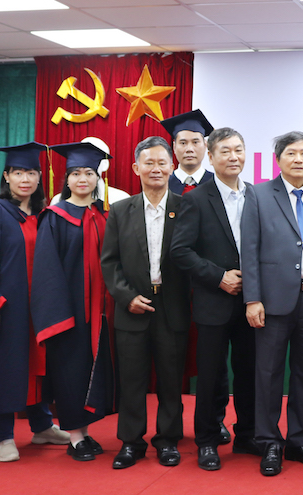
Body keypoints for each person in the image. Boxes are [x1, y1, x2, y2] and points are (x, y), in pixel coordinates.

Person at [241, 131, 303, 476]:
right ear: (278, 159)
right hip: (272, 300)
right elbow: (249, 250)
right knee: (268, 374)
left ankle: (299, 441)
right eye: (291, 153)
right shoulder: (259, 194)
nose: (299, 159)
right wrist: (253, 299)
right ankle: (268, 442)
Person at [0, 142, 70, 462]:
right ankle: (3, 437)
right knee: (4, 367)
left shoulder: (43, 215)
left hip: (38, 306)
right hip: (6, 306)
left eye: (31, 172)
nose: (24, 179)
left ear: (40, 177)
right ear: (6, 176)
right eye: (17, 173)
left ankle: (42, 426)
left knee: (38, 366)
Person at [170, 126, 259, 470]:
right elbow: (180, 251)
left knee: (250, 372)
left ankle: (247, 435)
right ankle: (207, 441)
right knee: (210, 376)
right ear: (211, 156)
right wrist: (218, 277)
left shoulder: (257, 196)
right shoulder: (195, 199)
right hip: (213, 301)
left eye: (238, 150)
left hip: (252, 301)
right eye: (225, 151)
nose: (233, 157)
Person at [100, 136, 190, 469]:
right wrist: (126, 296)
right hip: (132, 307)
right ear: (136, 168)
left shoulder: (186, 208)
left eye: (161, 162)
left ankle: (168, 440)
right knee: (132, 380)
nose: (155, 168)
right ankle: (131, 442)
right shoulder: (120, 211)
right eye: (148, 163)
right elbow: (109, 262)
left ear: (172, 167)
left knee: (171, 380)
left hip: (173, 306)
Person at [31, 142, 116, 462]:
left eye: (89, 173)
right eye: (76, 173)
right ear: (66, 179)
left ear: (98, 178)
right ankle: (76, 437)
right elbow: (46, 269)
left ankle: (85, 432)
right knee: (71, 372)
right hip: (69, 312)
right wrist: (58, 314)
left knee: (92, 372)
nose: (83, 179)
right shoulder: (54, 217)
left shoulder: (106, 215)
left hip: (103, 312)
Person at [162, 109, 215, 194]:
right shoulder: (163, 185)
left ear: (205, 145)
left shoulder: (218, 184)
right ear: (174, 147)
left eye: (195, 142)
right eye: (183, 143)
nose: (189, 149)